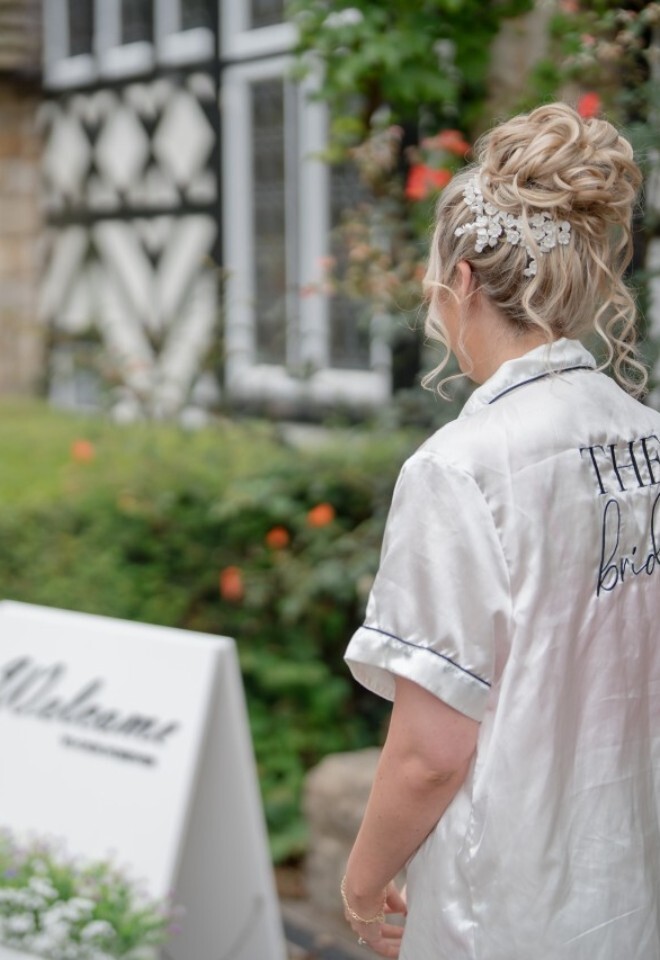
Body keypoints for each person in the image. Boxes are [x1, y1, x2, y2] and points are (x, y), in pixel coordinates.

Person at [340, 101, 660, 960]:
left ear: (465, 280)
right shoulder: (650, 435)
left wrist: (364, 881)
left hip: (510, 901)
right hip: (631, 881)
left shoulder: (462, 468)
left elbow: (431, 753)